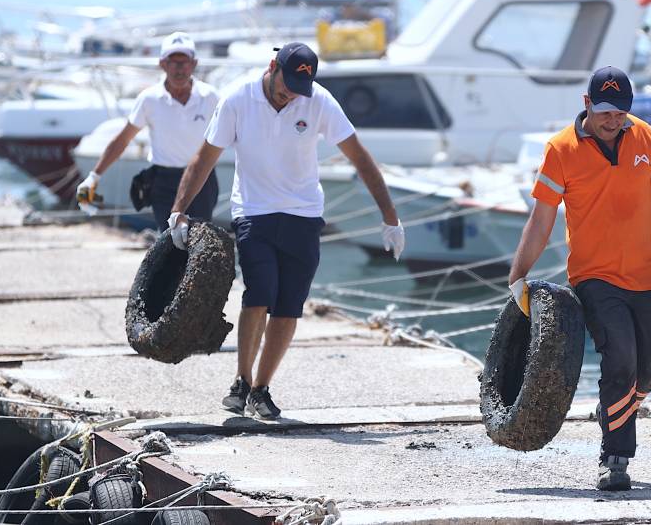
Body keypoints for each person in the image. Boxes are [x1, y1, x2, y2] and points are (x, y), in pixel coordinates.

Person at [506, 65, 651, 492]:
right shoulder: (560, 149)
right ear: (587, 104)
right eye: (606, 111)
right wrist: (519, 275)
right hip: (595, 277)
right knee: (620, 359)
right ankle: (616, 458)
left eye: (621, 112)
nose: (614, 121)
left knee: (648, 371)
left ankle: (615, 410)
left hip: (647, 276)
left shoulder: (642, 135)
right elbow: (541, 219)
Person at [167, 42, 406, 420]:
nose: (290, 93)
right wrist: (178, 212)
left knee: (289, 304)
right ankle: (241, 381)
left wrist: (390, 218)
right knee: (260, 291)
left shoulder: (319, 101)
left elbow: (360, 158)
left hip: (304, 213)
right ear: (272, 66)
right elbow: (204, 158)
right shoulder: (237, 99)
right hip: (254, 210)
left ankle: (261, 390)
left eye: (299, 87)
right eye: (287, 83)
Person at [76, 31, 219, 230]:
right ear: (162, 64)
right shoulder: (149, 99)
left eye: (184, 62)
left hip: (202, 182)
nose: (179, 69)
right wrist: (93, 177)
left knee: (200, 243)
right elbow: (123, 139)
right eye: (173, 62)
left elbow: (232, 135)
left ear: (194, 64)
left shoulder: (210, 96)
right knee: (169, 243)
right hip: (164, 181)